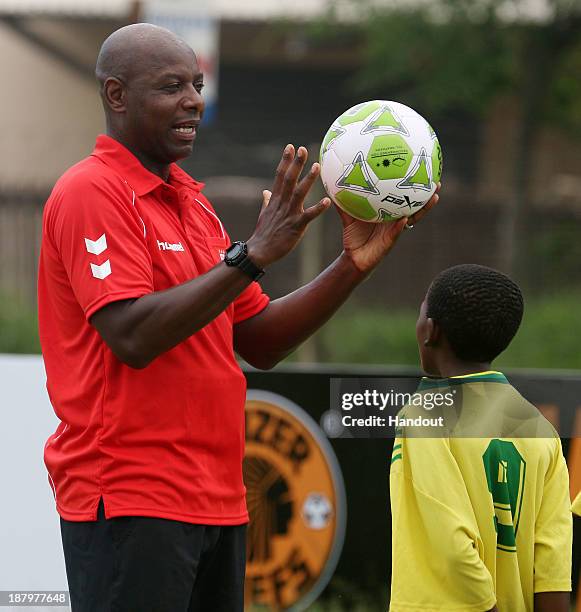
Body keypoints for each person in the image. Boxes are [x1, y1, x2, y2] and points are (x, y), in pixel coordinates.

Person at [37, 23, 439, 612]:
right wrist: (250, 257)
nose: (193, 100)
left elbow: (259, 339)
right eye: (171, 86)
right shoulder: (91, 192)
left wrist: (353, 265)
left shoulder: (191, 202)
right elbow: (130, 335)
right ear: (117, 95)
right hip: (129, 494)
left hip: (218, 499)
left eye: (197, 84)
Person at [389, 264, 572, 612]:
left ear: (430, 331)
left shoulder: (425, 417)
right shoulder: (540, 428)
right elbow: (553, 566)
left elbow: (453, 547)